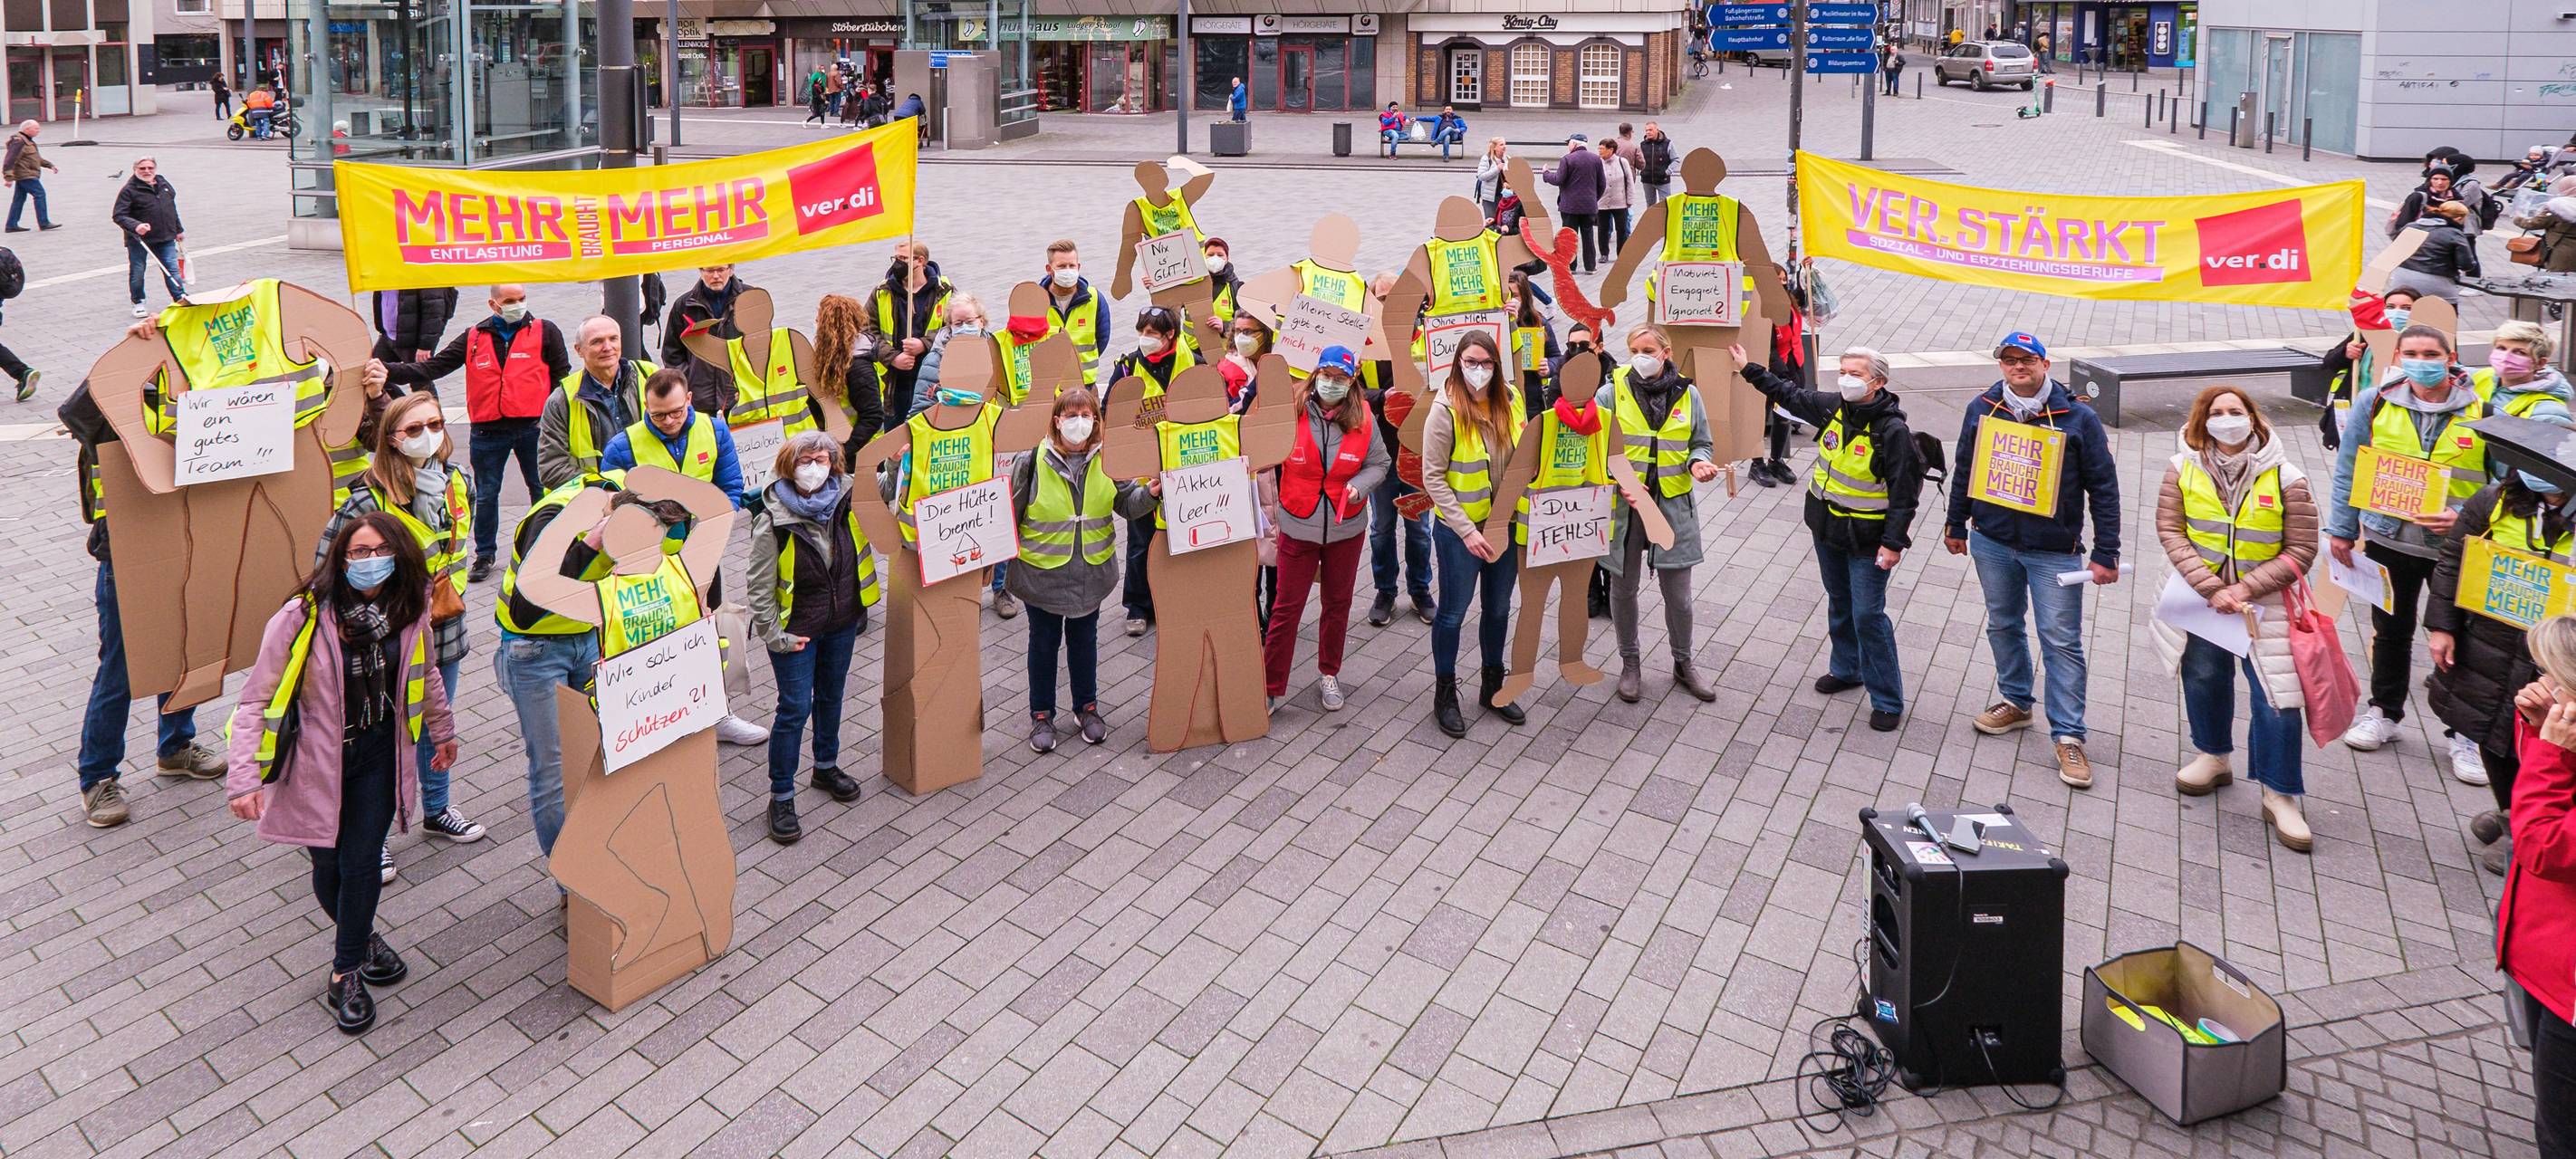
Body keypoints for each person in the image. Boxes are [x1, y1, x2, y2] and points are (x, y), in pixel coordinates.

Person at [227, 512, 457, 1035]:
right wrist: (243, 777)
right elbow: (256, 696)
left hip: (380, 754)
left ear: (398, 554)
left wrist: (442, 731)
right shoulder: (303, 614)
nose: (369, 560)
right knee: (328, 866)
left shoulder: (408, 605)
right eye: (357, 552)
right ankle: (364, 938)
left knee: (360, 865)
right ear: (340, 558)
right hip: (317, 763)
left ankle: (345, 972)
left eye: (379, 550)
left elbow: (425, 673)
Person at [313, 391, 487, 866]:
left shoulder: (457, 481)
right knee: (384, 734)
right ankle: (375, 835)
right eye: (413, 430)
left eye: (434, 425)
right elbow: (324, 570)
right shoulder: (367, 500)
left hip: (442, 627)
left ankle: (436, 808)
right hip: (382, 640)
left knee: (436, 722)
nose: (428, 436)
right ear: (390, 439)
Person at [1944, 332, 2124, 788]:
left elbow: (2103, 487)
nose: (2018, 367)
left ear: (2046, 363)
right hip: (1993, 541)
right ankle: (2017, 702)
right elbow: (1965, 466)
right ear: (2000, 365)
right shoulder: (1981, 409)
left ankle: (2068, 735)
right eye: (2009, 360)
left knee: (2061, 641)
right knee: (2002, 624)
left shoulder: (2078, 417)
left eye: (2027, 360)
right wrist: (1955, 523)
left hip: (2054, 551)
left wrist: (2107, 551)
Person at [2152, 387, 2320, 850]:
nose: (2226, 420)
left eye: (2236, 412)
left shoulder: (2288, 477)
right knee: (2204, 675)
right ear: (2201, 420)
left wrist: (2244, 589)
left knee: (2276, 696)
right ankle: (2213, 756)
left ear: (2253, 418)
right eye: (2217, 413)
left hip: (2264, 604)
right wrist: (2211, 588)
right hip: (2202, 598)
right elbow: (2170, 529)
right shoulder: (2180, 468)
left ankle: (2279, 792)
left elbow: (2302, 549)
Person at [2329, 323, 2488, 776]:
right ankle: (2384, 712)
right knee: (2391, 631)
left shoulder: (2484, 407)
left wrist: (2465, 518)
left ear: (2450, 355)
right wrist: (2342, 528)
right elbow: (2348, 468)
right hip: (2389, 538)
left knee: (2462, 642)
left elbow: (2501, 484)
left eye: (2431, 352)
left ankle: (2464, 734)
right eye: (2413, 352)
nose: (2423, 359)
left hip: (2454, 548)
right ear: (2399, 355)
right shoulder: (2375, 401)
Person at [1740, 344, 1922, 731]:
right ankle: (1846, 669)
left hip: (1869, 541)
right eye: (1843, 371)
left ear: (1879, 382)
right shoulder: (1833, 407)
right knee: (1840, 601)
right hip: (1827, 529)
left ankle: (1888, 698)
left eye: (1856, 374)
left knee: (1868, 614)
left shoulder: (1893, 432)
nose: (1846, 379)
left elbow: (1905, 498)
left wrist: (1893, 545)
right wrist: (1748, 367)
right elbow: (1788, 393)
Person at [2431, 445, 2576, 875]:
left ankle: (2525, 824)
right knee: (2488, 729)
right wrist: (2443, 626)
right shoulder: (2493, 501)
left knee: (2543, 735)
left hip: (2555, 653)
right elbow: (2453, 560)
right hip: (2489, 640)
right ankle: (2511, 811)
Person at [384, 284, 571, 581]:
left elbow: (562, 376)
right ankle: (485, 554)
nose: (517, 305)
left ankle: (545, 544)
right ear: (493, 305)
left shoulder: (545, 331)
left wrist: (555, 420)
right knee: (485, 494)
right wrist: (388, 370)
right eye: (509, 301)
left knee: (541, 488)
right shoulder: (474, 336)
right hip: (488, 431)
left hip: (532, 427)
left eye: (521, 299)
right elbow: (434, 367)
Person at [746, 431, 875, 842]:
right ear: (788, 465)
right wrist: (775, 637)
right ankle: (781, 795)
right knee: (794, 709)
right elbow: (759, 587)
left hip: (840, 623)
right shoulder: (772, 520)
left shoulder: (845, 499)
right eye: (806, 461)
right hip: (796, 633)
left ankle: (825, 766)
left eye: (822, 460)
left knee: (832, 697)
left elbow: (890, 490)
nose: (815, 468)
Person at [1010, 388, 1153, 752]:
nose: (1079, 423)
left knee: (1084, 642)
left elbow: (1127, 505)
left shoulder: (1110, 458)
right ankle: (1041, 715)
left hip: (1091, 572)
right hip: (1041, 575)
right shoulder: (1030, 460)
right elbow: (1008, 514)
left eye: (1086, 416)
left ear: (1096, 422)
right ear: (1056, 421)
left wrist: (1151, 493)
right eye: (1070, 416)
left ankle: (1086, 708)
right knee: (1043, 644)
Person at [490, 470, 619, 863]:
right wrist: (593, 544)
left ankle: (600, 855)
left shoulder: (627, 494)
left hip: (587, 639)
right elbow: (526, 609)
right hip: (537, 650)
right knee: (554, 770)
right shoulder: (552, 519)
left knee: (599, 754)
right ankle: (571, 880)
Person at [1595, 326, 1720, 703]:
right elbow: (1594, 448)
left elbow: (1702, 442)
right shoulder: (1611, 391)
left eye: (1647, 349)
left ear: (1667, 352)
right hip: (1625, 508)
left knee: (1679, 596)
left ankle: (1684, 662)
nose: (1640, 356)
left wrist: (1699, 463)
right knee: (1623, 587)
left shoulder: (1688, 393)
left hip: (1672, 505)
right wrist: (1619, 483)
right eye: (1634, 349)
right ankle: (1630, 663)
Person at [1264, 346, 1390, 712]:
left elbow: (1379, 462)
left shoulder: (1363, 416)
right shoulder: (1292, 409)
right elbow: (1263, 444)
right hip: (1297, 523)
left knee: (1338, 603)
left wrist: (1360, 486)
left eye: (1340, 378)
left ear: (1352, 381)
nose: (1331, 383)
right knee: (1286, 608)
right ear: (1315, 374)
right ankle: (1272, 686)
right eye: (1326, 375)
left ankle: (1329, 673)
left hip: (1345, 526)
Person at [1420, 330, 1523, 736]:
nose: (1478, 371)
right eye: (1470, 363)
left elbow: (1526, 459)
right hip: (1459, 533)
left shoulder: (1511, 402)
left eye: (1486, 363)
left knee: (1498, 609)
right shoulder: (1444, 410)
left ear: (1497, 366)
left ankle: (1492, 684)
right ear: (1457, 364)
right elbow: (1433, 477)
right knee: (1452, 613)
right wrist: (1466, 531)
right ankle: (1444, 692)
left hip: (1505, 527)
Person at [2503, 618, 2576, 1159]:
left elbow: (2544, 845)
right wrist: (2538, 729)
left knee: (2560, 1133)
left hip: (2571, 990)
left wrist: (2551, 752)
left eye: (2551, 675)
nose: (2541, 683)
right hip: (2549, 964)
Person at [1111, 305, 1203, 636]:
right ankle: (1137, 605)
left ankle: (1172, 600)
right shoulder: (1126, 368)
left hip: (1185, 467)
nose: (1145, 339)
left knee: (1180, 539)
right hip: (1143, 470)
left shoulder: (1194, 362)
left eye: (1153, 334)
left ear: (1170, 336)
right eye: (1142, 332)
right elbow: (1112, 412)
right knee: (1140, 542)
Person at [541, 314, 656, 489]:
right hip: (596, 501)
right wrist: (606, 486)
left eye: (613, 339)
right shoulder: (562, 400)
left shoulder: (651, 378)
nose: (607, 347)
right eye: (597, 342)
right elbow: (551, 469)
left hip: (651, 490)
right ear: (579, 350)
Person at [604, 370, 746, 509]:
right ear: (647, 406)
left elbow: (731, 486)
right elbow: (613, 507)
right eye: (658, 415)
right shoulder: (620, 448)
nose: (668, 421)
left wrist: (721, 522)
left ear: (689, 399)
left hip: (708, 527)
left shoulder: (716, 430)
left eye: (676, 412)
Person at [2316, 287, 2422, 451]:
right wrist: (2346, 353)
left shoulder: (2425, 340)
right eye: (2390, 307)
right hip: (2357, 414)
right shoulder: (2366, 333)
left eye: (2407, 308)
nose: (2397, 312)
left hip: (2397, 420)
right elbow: (2329, 362)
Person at [874, 240, 954, 413]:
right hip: (893, 380)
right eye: (895, 258)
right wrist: (893, 358)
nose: (898, 263)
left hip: (932, 375)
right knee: (894, 432)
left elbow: (953, 329)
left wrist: (923, 344)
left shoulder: (944, 291)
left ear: (921, 261)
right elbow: (867, 331)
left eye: (903, 258)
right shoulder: (883, 291)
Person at [662, 263, 750, 415]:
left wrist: (748, 384)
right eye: (710, 270)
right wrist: (688, 381)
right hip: (700, 399)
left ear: (731, 269)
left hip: (739, 395)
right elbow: (672, 354)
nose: (716, 276)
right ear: (701, 271)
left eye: (721, 270)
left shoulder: (749, 299)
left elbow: (761, 345)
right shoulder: (684, 305)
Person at [112, 158, 187, 318]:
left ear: (155, 168)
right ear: (135, 170)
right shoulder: (129, 190)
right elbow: (119, 215)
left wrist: (178, 229)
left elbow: (171, 209)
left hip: (165, 236)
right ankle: (138, 302)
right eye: (142, 168)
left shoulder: (164, 185)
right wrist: (136, 226)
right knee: (138, 271)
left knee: (171, 269)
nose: (147, 171)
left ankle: (180, 297)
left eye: (150, 168)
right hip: (139, 240)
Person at [812, 292, 888, 447]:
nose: (815, 323)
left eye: (819, 320)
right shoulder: (834, 360)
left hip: (862, 451)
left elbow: (872, 417)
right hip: (841, 445)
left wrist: (843, 452)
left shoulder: (859, 369)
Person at [1041, 240, 1110, 388]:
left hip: (1084, 383)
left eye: (1072, 266)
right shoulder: (1036, 300)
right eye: (1061, 266)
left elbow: (1102, 339)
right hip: (1047, 384)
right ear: (1049, 269)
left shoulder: (1095, 298)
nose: (1068, 271)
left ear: (1078, 267)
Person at [2386, 200, 2480, 304]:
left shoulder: (2410, 226)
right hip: (2436, 282)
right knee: (2444, 315)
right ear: (2459, 219)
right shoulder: (2454, 234)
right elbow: (2466, 265)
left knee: (2405, 313)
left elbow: (2395, 249)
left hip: (2401, 278)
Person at [911, 292, 990, 416]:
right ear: (950, 326)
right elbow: (920, 410)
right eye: (958, 323)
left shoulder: (994, 352)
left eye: (969, 322)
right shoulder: (935, 360)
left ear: (981, 321)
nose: (964, 327)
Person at [2480, 321, 2573, 422]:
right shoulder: (2476, 377)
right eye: (2501, 348)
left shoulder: (2548, 411)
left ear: (2540, 363)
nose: (2505, 357)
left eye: (2520, 352)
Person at [1543, 136, 1607, 273]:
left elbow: (1558, 179)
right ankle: (1590, 267)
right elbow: (1602, 184)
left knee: (1569, 237)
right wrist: (1594, 199)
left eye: (1569, 143)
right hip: (1589, 206)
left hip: (1569, 206)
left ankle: (1571, 267)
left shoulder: (1567, 159)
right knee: (1588, 235)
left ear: (1574, 144)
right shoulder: (1596, 159)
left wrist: (1546, 174)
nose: (1568, 146)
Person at [371, 287, 457, 364]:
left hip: (412, 340)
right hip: (389, 335)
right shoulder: (386, 274)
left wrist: (425, 346)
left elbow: (434, 314)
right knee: (373, 373)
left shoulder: (422, 274)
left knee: (419, 379)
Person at [2513, 174, 2576, 273]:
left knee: (2560, 281)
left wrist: (2518, 218)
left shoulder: (2559, 206)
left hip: (2563, 253)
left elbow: (2534, 224)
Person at [4, 120, 59, 233]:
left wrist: (50, 165)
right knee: (40, 194)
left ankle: (11, 225)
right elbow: (10, 160)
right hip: (25, 175)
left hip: (26, 174)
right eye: (36, 129)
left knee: (19, 199)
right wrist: (8, 178)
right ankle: (44, 222)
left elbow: (35, 158)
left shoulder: (27, 141)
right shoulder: (18, 141)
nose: (38, 131)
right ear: (27, 129)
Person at [1595, 139, 1637, 259]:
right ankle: (1604, 254)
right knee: (1602, 229)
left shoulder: (1622, 162)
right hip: (1602, 202)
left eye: (1602, 149)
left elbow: (1629, 181)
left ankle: (1621, 254)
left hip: (1620, 202)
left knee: (1622, 229)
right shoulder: (1597, 162)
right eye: (1599, 149)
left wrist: (1630, 200)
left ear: (1611, 150)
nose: (1599, 151)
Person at [1638, 123, 1675, 207]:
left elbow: (1675, 159)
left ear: (1657, 130)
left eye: (1650, 130)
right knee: (1650, 206)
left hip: (1663, 180)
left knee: (1665, 205)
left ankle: (1665, 220)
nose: (1648, 132)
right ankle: (1651, 221)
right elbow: (1639, 160)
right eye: (1646, 130)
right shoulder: (1643, 144)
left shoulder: (1667, 143)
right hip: (1647, 180)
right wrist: (1640, 170)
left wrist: (1667, 172)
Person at [1475, 139, 1511, 223]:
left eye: (1505, 144)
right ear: (1495, 147)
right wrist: (1497, 168)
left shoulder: (1507, 159)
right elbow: (1481, 176)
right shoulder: (1487, 159)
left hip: (1505, 197)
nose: (1504, 147)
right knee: (1491, 223)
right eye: (1501, 145)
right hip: (1490, 198)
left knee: (1503, 222)